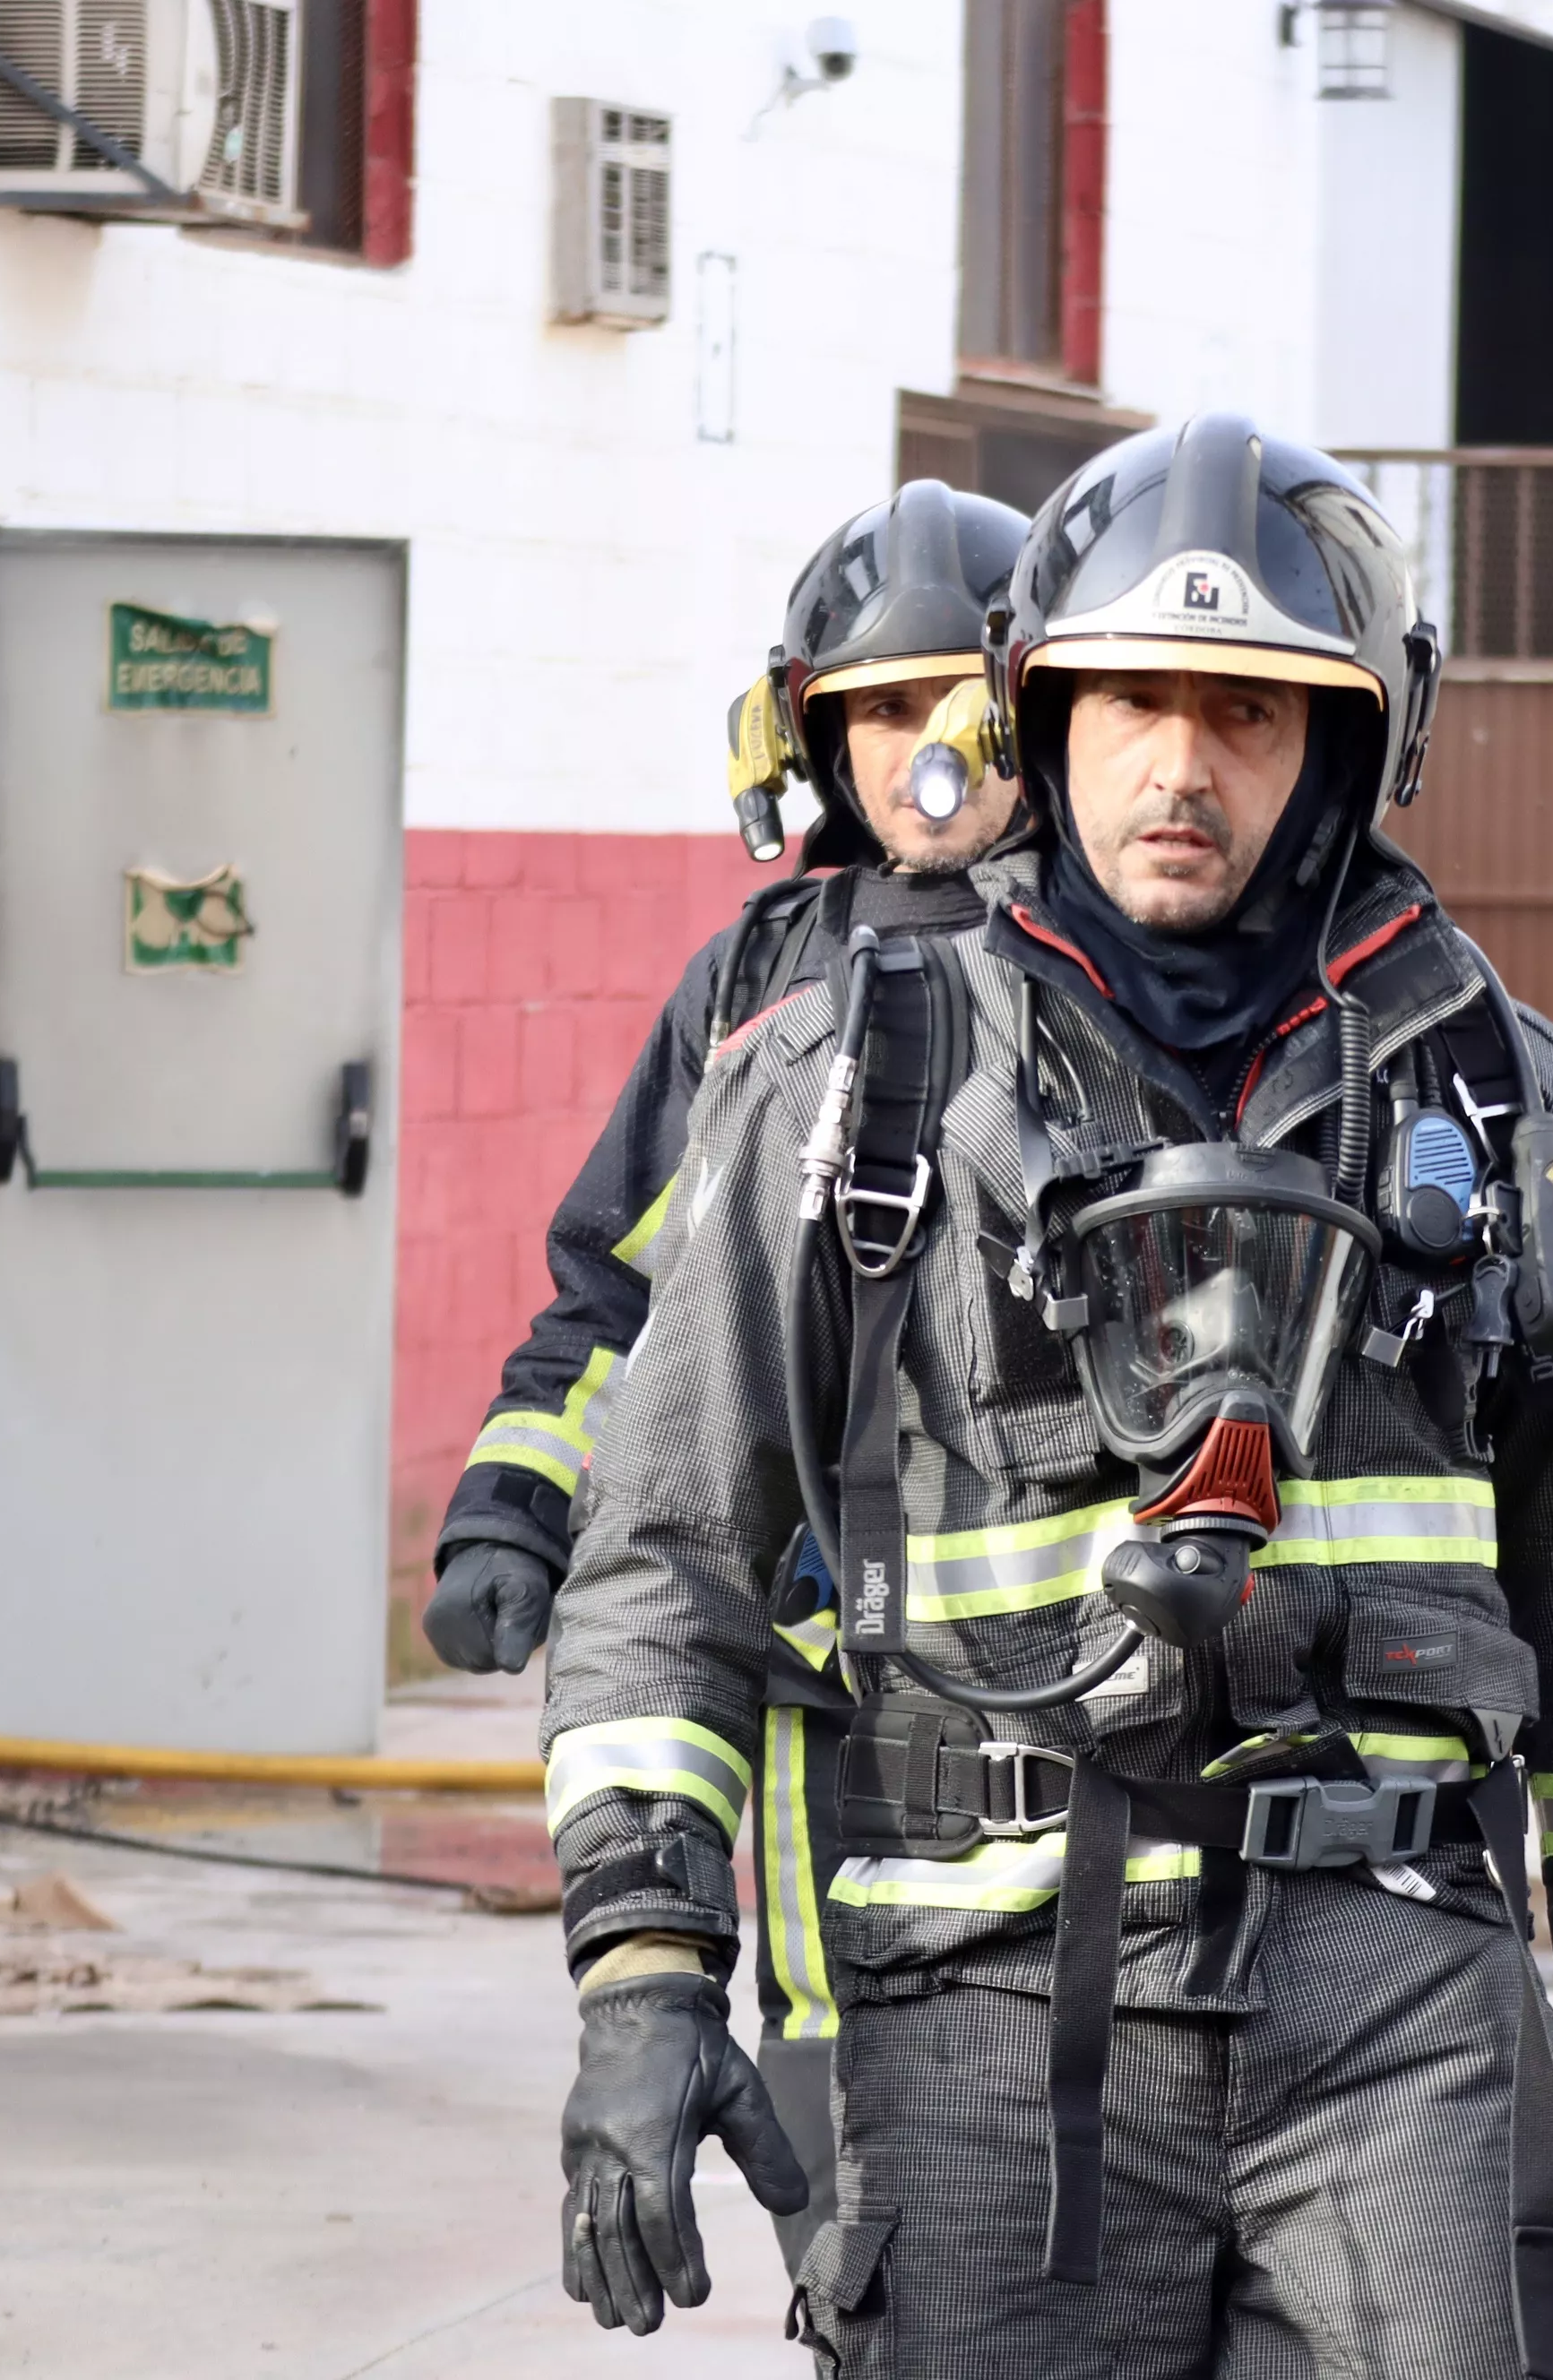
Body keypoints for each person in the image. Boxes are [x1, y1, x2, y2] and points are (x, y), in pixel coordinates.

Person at [534, 413, 1553, 2377]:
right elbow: (667, 1557)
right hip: (984, 1999)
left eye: (1250, 714)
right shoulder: (854, 1084)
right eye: (1130, 706)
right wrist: (648, 1972)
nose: (1180, 766)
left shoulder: (1504, 1100)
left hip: (1399, 2001)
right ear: (1039, 712)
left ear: (1353, 741)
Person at [422, 478, 1031, 2269]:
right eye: (878, 715)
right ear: (810, 738)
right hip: (825, 1697)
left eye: (958, 710)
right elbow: (624, 1298)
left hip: (1077, 1713)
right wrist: (519, 1496)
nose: (926, 754)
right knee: (865, 2213)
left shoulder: (1126, 971)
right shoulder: (757, 985)